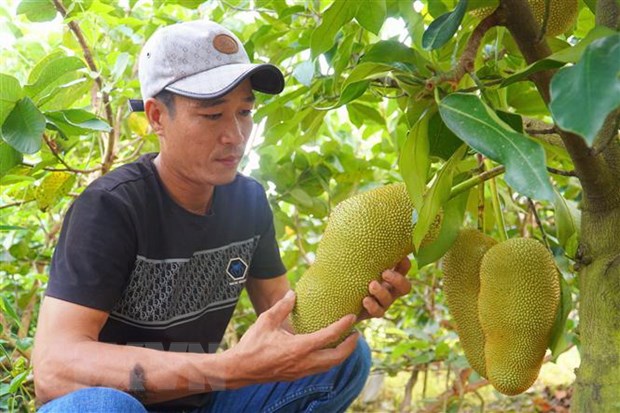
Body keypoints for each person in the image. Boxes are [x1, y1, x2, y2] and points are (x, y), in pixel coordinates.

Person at [32, 19, 412, 413]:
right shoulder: (111, 207)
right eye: (212, 115)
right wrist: (226, 369)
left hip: (206, 402)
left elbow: (285, 322)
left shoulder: (247, 201)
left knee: (346, 358)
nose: (235, 135)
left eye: (245, 112)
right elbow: (53, 369)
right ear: (157, 116)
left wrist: (352, 305)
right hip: (128, 404)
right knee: (99, 407)